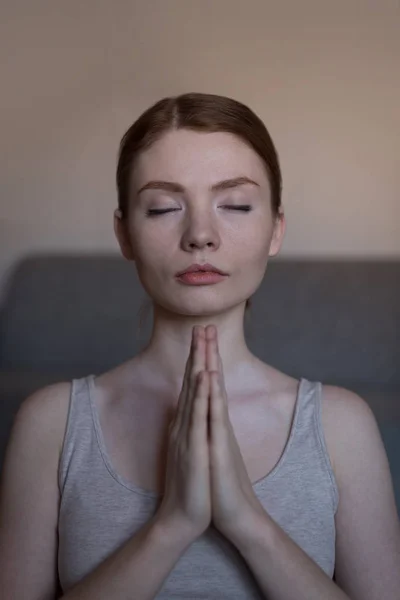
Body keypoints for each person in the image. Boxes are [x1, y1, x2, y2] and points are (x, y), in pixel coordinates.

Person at [0, 93, 399, 600]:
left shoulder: (342, 426)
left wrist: (247, 521)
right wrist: (173, 525)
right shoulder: (52, 424)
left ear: (276, 228)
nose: (201, 235)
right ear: (124, 234)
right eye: (164, 207)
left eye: (234, 204)